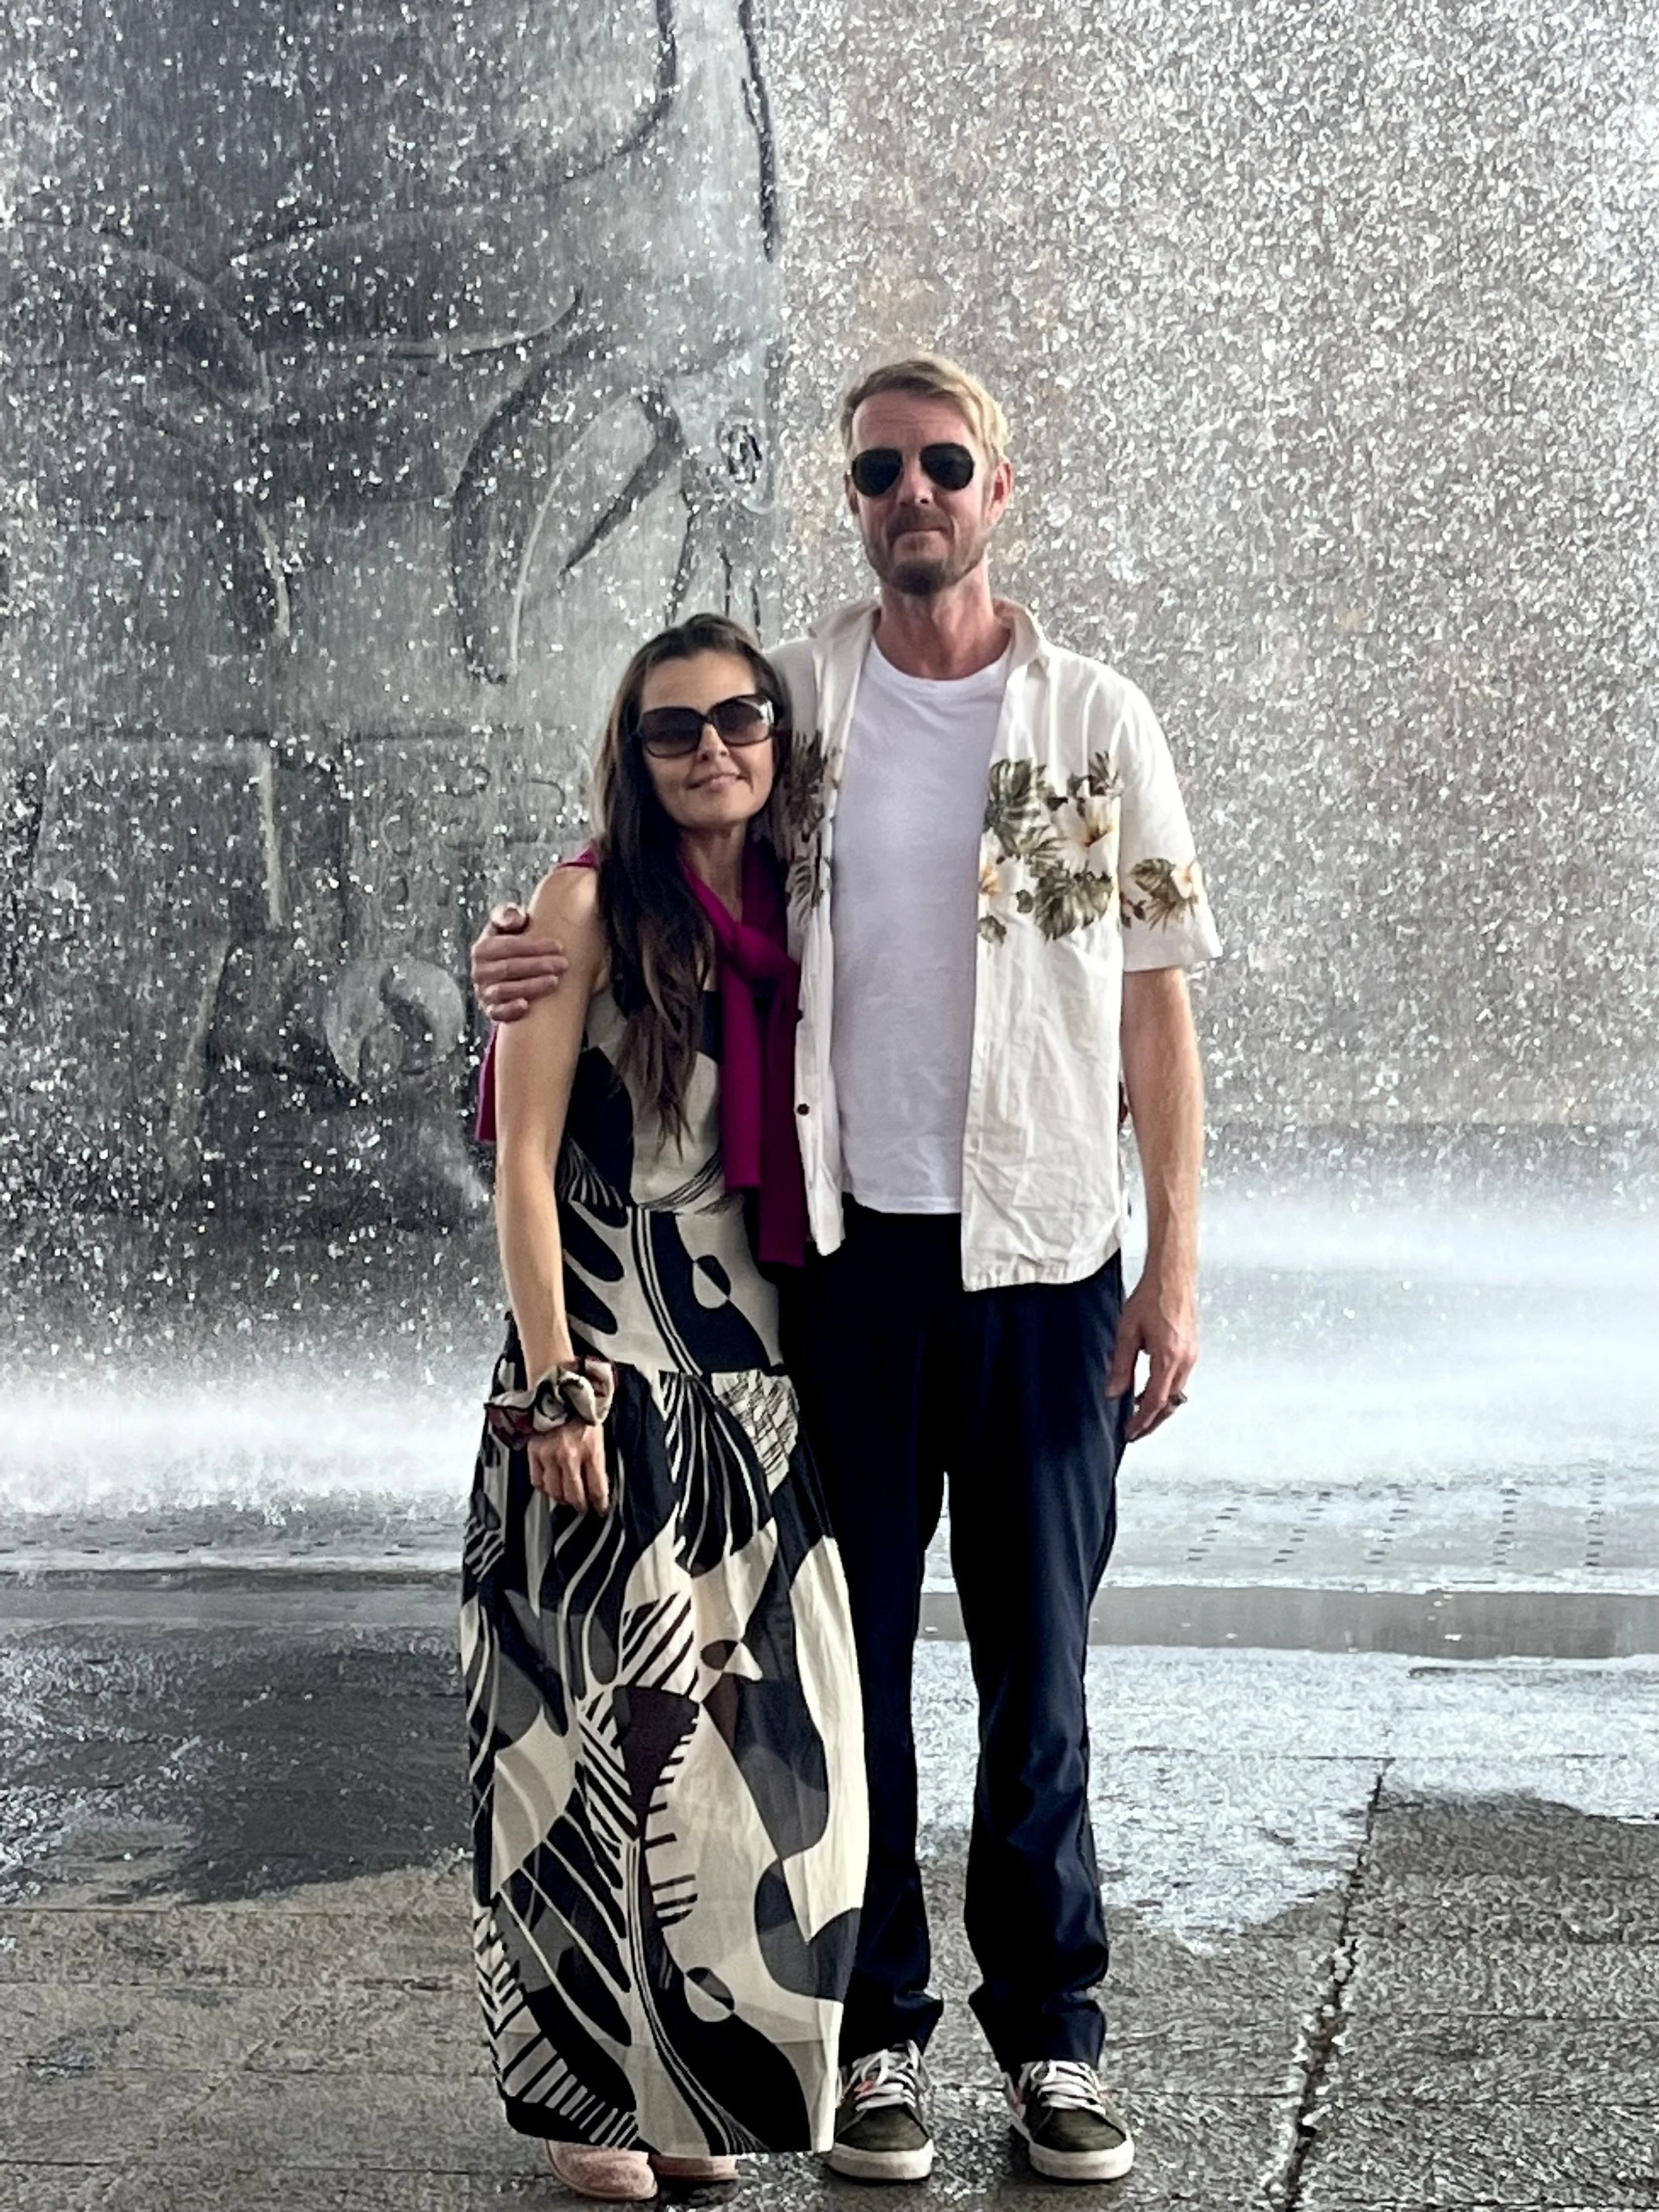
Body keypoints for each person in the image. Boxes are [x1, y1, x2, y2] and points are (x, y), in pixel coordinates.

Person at [472, 356, 1221, 2189]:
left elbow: (1154, 1011)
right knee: (848, 1669)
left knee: (1040, 1678)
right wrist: (520, 937)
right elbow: (666, 828)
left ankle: (1051, 2036)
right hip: (850, 1273)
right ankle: (876, 2032)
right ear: (853, 495)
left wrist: (1174, 1272)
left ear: (996, 486)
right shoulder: (799, 700)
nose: (910, 493)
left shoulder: (1094, 720)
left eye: (940, 465)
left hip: (1049, 1261)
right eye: (877, 468)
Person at [464, 613, 866, 2204]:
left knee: (740, 1741)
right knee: (577, 1744)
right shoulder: (583, 901)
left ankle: (699, 2079)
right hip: (604, 1368)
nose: (713, 749)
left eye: (740, 719)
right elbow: (518, 1160)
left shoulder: (801, 905)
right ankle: (586, 2096)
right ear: (630, 761)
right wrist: (556, 1379)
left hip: (754, 1394)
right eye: (673, 729)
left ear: (779, 734)